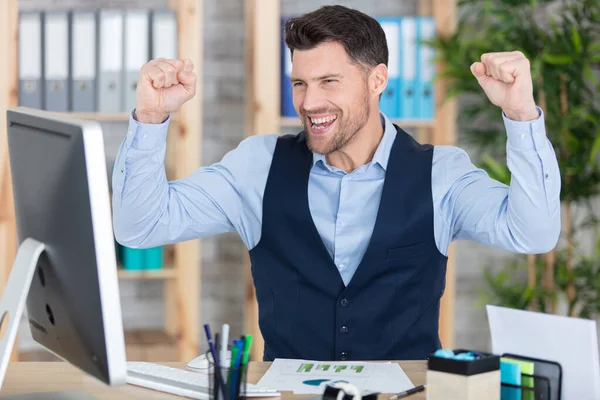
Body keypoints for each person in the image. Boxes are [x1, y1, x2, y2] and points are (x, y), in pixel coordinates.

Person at [112, 5, 561, 361]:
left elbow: (534, 232)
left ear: (377, 80)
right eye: (300, 83)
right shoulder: (257, 165)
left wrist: (521, 116)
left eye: (329, 81)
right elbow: (140, 227)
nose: (310, 102)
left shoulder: (441, 173)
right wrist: (151, 117)